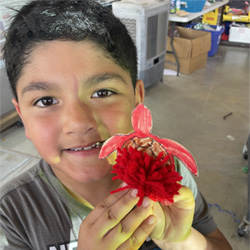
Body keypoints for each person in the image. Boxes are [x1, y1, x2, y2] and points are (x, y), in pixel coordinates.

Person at [0, 1, 232, 249]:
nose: (78, 123)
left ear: (137, 99)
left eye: (102, 93)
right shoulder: (13, 213)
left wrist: (184, 241)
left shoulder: (168, 169)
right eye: (46, 101)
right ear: (22, 116)